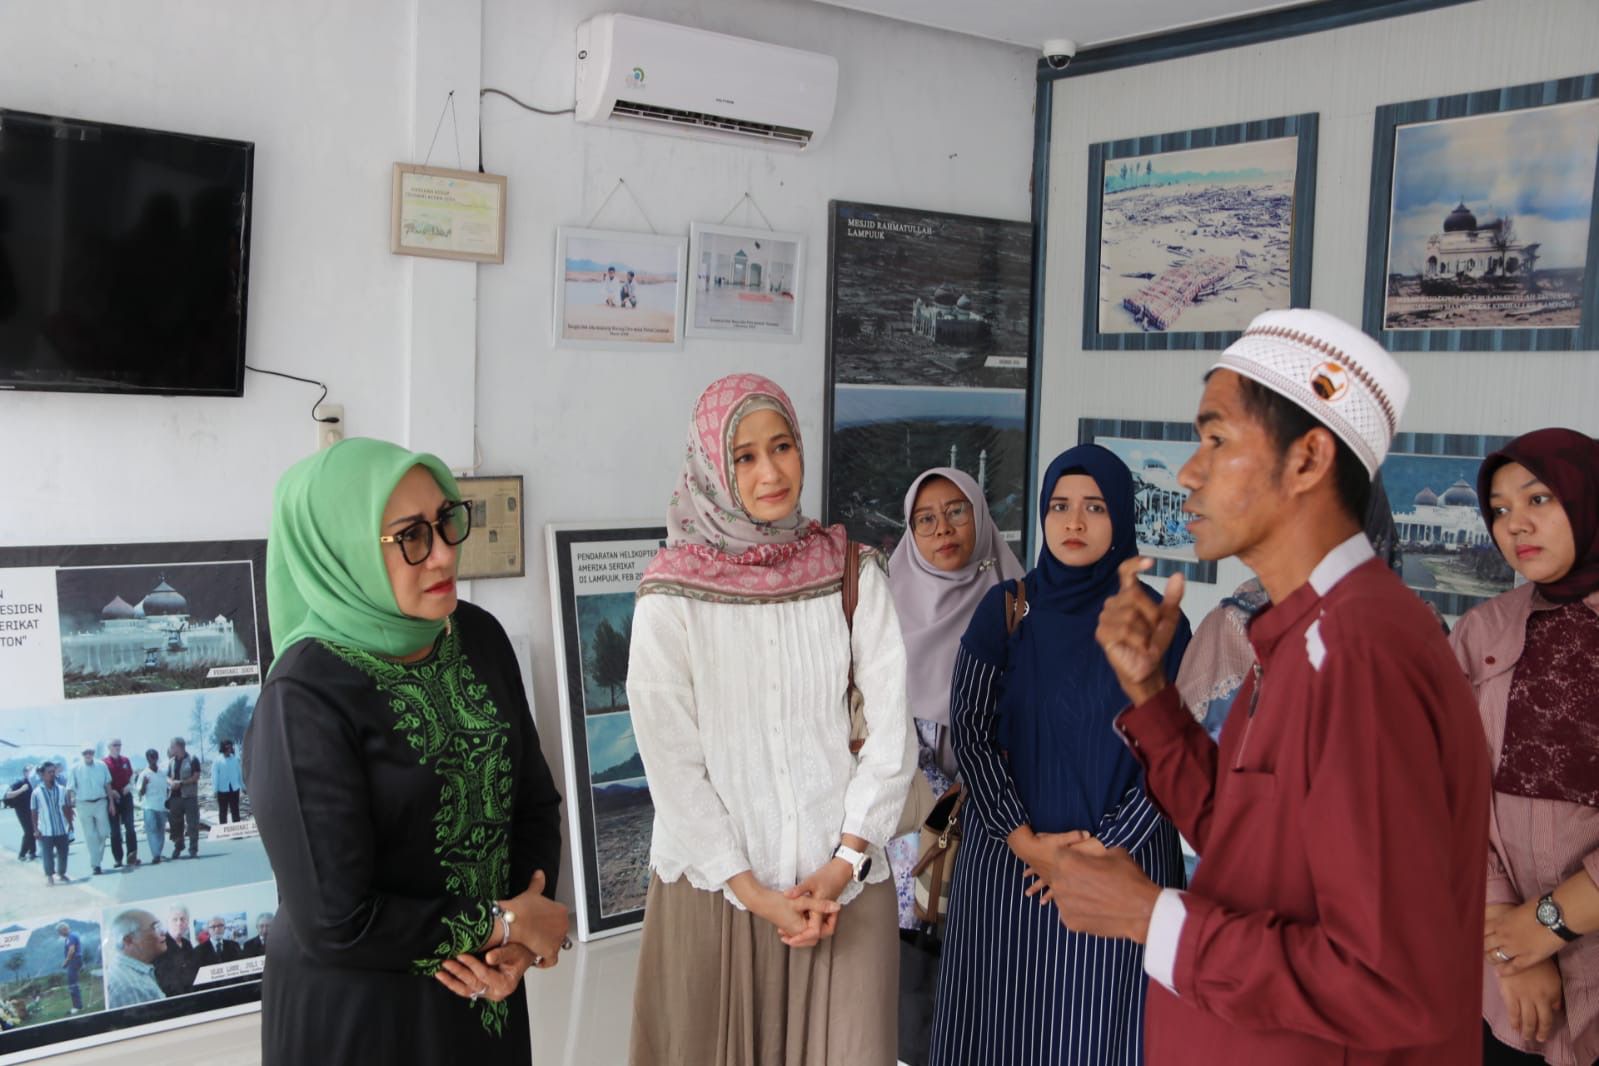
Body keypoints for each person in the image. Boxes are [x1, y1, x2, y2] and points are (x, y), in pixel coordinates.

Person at [1046, 308, 1490, 1065]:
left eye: (1215, 439)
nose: (1187, 471)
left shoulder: (1358, 655)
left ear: (1308, 460)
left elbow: (1385, 985)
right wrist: (1150, 697)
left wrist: (1151, 918)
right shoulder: (1297, 635)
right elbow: (1246, 845)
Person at [246, 437, 568, 1064]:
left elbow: (532, 800)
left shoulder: (476, 635)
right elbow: (335, 920)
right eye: (411, 537)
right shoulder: (304, 696)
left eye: (447, 520)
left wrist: (519, 945)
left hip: (485, 999)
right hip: (362, 1020)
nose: (444, 553)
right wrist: (504, 925)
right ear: (341, 551)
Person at [626, 373, 915, 1066]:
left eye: (781, 446)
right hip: (718, 895)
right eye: (745, 457)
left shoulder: (852, 573)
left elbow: (889, 732)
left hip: (842, 889)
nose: (770, 472)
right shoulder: (670, 596)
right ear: (711, 470)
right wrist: (753, 892)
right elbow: (672, 764)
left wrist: (845, 862)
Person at [928, 444, 1192, 1066]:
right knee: (998, 1035)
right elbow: (971, 728)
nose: (1074, 523)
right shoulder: (1010, 608)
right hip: (1008, 876)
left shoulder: (1161, 623)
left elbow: (1174, 749)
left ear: (1123, 517)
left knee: (1102, 1035)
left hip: (1121, 876)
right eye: (1060, 507)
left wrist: (1102, 851)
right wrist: (1025, 841)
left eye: (1095, 507)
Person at [1450, 428, 1599, 1066]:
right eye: (1501, 510)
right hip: (1505, 982)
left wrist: (1548, 925)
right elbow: (1448, 790)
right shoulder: (1482, 630)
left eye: (1538, 499)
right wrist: (1509, 945)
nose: (1516, 525)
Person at [885, 467, 1025, 935]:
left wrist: (974, 787)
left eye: (955, 511)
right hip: (909, 805)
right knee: (911, 966)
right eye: (924, 519)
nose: (942, 529)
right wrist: (934, 795)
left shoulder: (1019, 602)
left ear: (980, 515)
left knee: (986, 955)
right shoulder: (884, 607)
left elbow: (1030, 706)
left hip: (998, 805)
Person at [106, 909, 168, 1009]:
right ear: (129, 940)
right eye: (155, 928)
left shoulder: (131, 974)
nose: (163, 932)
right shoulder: (131, 987)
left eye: (160, 926)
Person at [67, 745, 114, 875]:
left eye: (90, 752)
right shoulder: (75, 768)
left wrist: (111, 803)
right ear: (82, 754)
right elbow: (70, 788)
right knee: (90, 835)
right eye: (85, 753)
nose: (88, 755)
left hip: (100, 802)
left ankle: (96, 859)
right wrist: (71, 805)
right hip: (83, 803)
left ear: (93, 753)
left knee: (104, 832)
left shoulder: (101, 765)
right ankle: (96, 864)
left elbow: (107, 784)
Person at [29, 762, 70, 884]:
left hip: (61, 828)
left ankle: (61, 873)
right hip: (46, 830)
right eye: (49, 772)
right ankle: (49, 876)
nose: (52, 774)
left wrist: (70, 823)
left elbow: (67, 807)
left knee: (63, 853)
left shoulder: (62, 790)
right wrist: (36, 829)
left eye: (53, 771)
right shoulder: (36, 793)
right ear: (42, 775)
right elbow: (34, 812)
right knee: (48, 855)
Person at [103, 738, 140, 867]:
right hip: (112, 798)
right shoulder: (104, 762)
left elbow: (131, 776)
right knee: (115, 830)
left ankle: (132, 856)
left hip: (125, 796)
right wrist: (111, 791)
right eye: (115, 745)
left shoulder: (125, 760)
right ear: (109, 747)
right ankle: (118, 858)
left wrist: (128, 787)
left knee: (130, 826)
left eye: (119, 745)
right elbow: (103, 781)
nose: (118, 747)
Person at [166, 738, 201, 859]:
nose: (171, 748)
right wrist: (171, 783)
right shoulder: (171, 762)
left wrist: (182, 782)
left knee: (192, 823)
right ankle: (178, 845)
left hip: (189, 796)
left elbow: (196, 777)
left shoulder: (192, 759)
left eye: (172, 746)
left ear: (179, 747)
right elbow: (168, 777)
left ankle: (193, 849)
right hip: (175, 797)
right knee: (176, 824)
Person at [155, 904, 199, 997]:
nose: (179, 923)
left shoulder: (187, 944)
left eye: (182, 919)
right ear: (167, 922)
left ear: (187, 922)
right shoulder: (160, 945)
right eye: (175, 919)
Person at [134, 748, 169, 865]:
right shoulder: (144, 774)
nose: (153, 760)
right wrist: (144, 784)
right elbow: (140, 792)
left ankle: (158, 851)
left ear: (157, 758)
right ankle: (156, 855)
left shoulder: (162, 772)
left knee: (160, 830)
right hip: (149, 806)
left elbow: (168, 787)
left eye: (154, 757)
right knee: (152, 830)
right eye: (150, 757)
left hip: (162, 805)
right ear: (147, 759)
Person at [4, 765, 35, 862]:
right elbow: (7, 795)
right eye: (30, 770)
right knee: (29, 831)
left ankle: (32, 852)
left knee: (33, 830)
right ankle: (22, 853)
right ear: (25, 773)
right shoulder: (20, 783)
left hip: (32, 810)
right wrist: (21, 790)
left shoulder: (34, 783)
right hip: (22, 810)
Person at [213, 739, 243, 824]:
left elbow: (239, 773)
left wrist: (243, 786)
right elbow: (215, 776)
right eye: (227, 747)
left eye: (230, 747)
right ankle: (223, 830)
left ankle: (237, 831)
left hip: (234, 788)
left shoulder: (235, 759)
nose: (229, 749)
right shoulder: (217, 760)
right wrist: (215, 790)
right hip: (222, 790)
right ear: (223, 748)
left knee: (235, 809)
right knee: (223, 811)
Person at [57, 923, 83, 1015]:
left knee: (72, 984)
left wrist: (65, 962)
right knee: (72, 983)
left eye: (60, 932)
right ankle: (77, 1005)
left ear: (64, 929)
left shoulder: (71, 936)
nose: (60, 935)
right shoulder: (68, 938)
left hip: (74, 960)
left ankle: (77, 1006)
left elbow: (71, 950)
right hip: (73, 961)